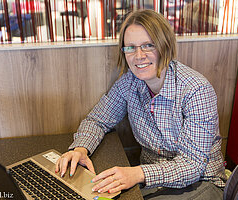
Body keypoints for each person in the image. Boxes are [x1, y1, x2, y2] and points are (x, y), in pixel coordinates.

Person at [55, 9, 227, 199]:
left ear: (165, 46)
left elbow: (192, 165)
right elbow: (97, 120)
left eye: (148, 45)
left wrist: (138, 173)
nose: (139, 55)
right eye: (130, 47)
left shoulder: (196, 90)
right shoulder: (129, 82)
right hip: (149, 182)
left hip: (200, 183)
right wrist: (80, 149)